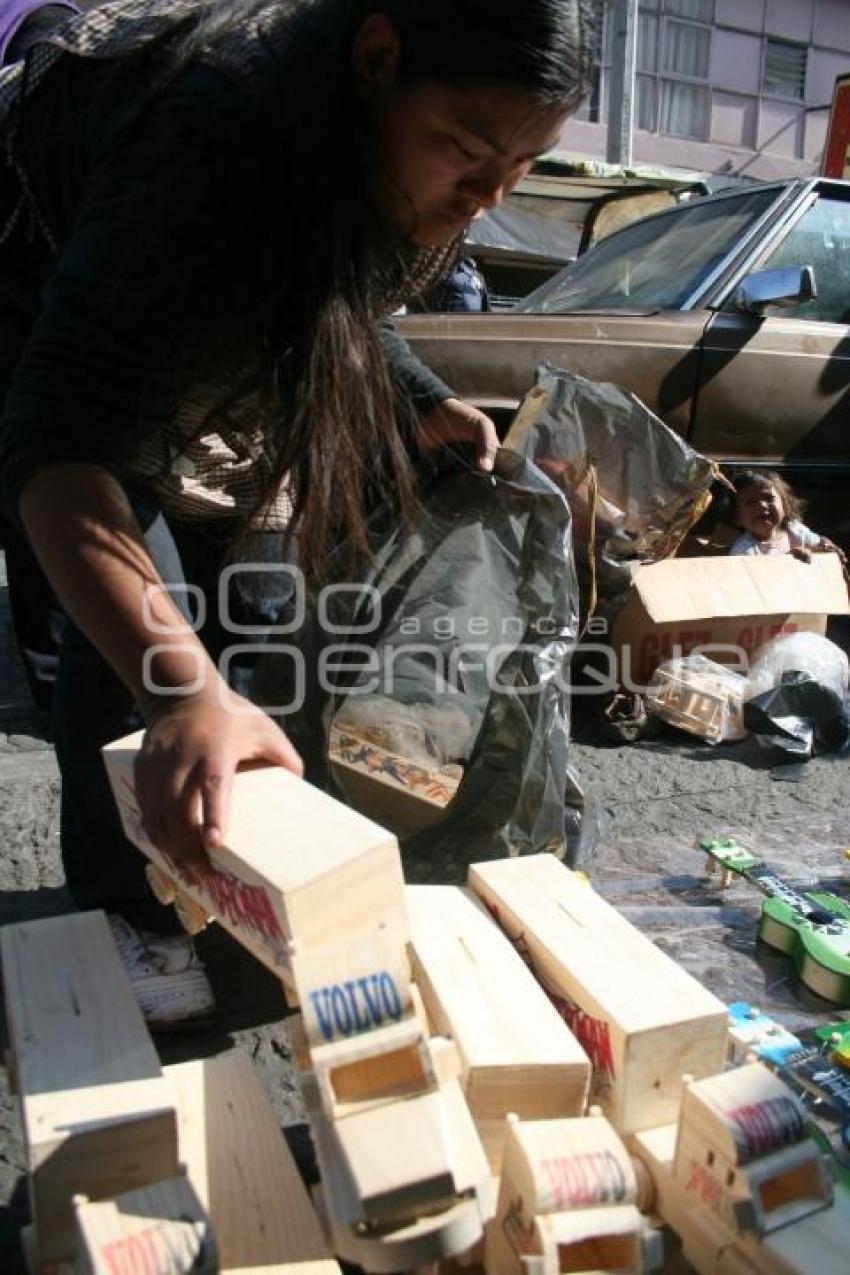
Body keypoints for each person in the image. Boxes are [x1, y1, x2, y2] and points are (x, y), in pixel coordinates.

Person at [0, 0, 596, 1027]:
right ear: (375, 58)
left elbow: (334, 293)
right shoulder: (209, 142)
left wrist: (411, 393)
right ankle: (124, 918)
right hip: (40, 294)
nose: (484, 200)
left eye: (521, 168)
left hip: (187, 308)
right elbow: (62, 445)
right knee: (143, 639)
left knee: (265, 612)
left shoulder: (362, 160)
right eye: (465, 151)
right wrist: (181, 691)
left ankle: (231, 865)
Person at [728, 470, 840, 560]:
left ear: (785, 506)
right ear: (737, 517)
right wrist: (788, 561)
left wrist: (824, 547)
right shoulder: (742, 551)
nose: (762, 505)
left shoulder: (795, 530)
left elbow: (819, 545)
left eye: (769, 498)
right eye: (751, 502)